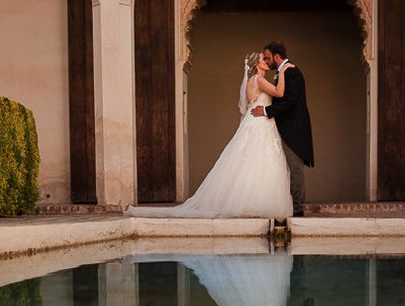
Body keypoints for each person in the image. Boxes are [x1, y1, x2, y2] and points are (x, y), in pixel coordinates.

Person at [125, 51, 293, 220]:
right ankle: (254, 203)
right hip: (259, 124)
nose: (267, 61)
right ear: (257, 64)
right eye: (264, 59)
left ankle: (253, 201)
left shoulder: (252, 81)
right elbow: (279, 93)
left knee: (250, 161)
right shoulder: (258, 80)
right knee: (257, 161)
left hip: (256, 122)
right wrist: (284, 70)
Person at [251, 41, 314, 218]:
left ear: (277, 57)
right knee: (282, 169)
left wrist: (265, 110)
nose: (266, 60)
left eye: (268, 57)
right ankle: (286, 207)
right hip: (281, 129)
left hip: (293, 130)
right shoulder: (282, 73)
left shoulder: (292, 72)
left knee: (295, 169)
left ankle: (298, 210)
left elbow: (289, 101)